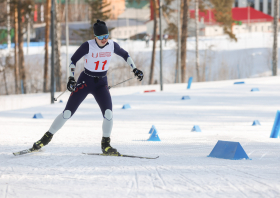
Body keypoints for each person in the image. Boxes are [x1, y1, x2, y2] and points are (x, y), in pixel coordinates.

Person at [31, 20, 144, 155]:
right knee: (67, 113)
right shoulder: (87, 46)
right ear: (95, 36)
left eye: (106, 36)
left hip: (101, 83)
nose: (104, 39)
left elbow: (125, 55)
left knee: (108, 114)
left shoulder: (112, 45)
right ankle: (45, 139)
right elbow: (73, 60)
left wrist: (135, 69)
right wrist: (71, 78)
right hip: (85, 81)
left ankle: (106, 145)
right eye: (101, 37)